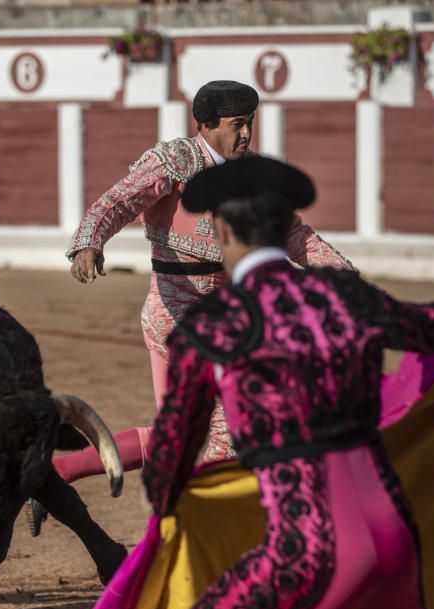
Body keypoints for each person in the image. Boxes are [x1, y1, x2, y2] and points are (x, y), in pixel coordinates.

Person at [136, 156, 434, 609]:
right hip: (393, 536)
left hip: (308, 549)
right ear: (284, 228)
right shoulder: (344, 296)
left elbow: (174, 448)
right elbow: (427, 324)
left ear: (219, 229)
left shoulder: (214, 325)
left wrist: (170, 511)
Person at [44, 82, 352, 523]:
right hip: (175, 314)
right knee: (231, 429)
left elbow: (293, 234)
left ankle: (62, 469)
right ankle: (203, 532)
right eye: (237, 125)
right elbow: (117, 202)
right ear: (206, 124)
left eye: (250, 123)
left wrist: (342, 275)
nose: (246, 135)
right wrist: (88, 243)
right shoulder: (173, 162)